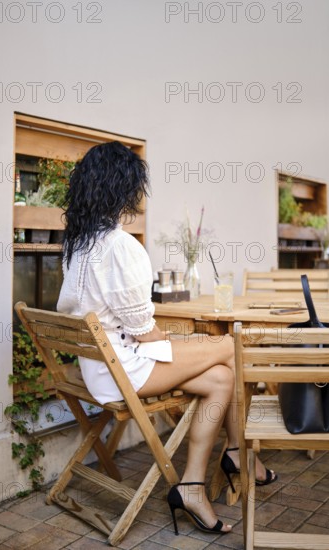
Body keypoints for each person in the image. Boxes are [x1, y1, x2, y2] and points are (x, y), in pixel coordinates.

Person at [57, 141, 277, 536]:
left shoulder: (77, 245)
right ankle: (238, 454)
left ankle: (192, 485)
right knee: (231, 347)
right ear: (122, 188)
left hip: (100, 369)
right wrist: (186, 343)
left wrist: (183, 344)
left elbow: (126, 324)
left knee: (222, 378)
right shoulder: (121, 246)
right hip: (124, 372)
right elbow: (145, 334)